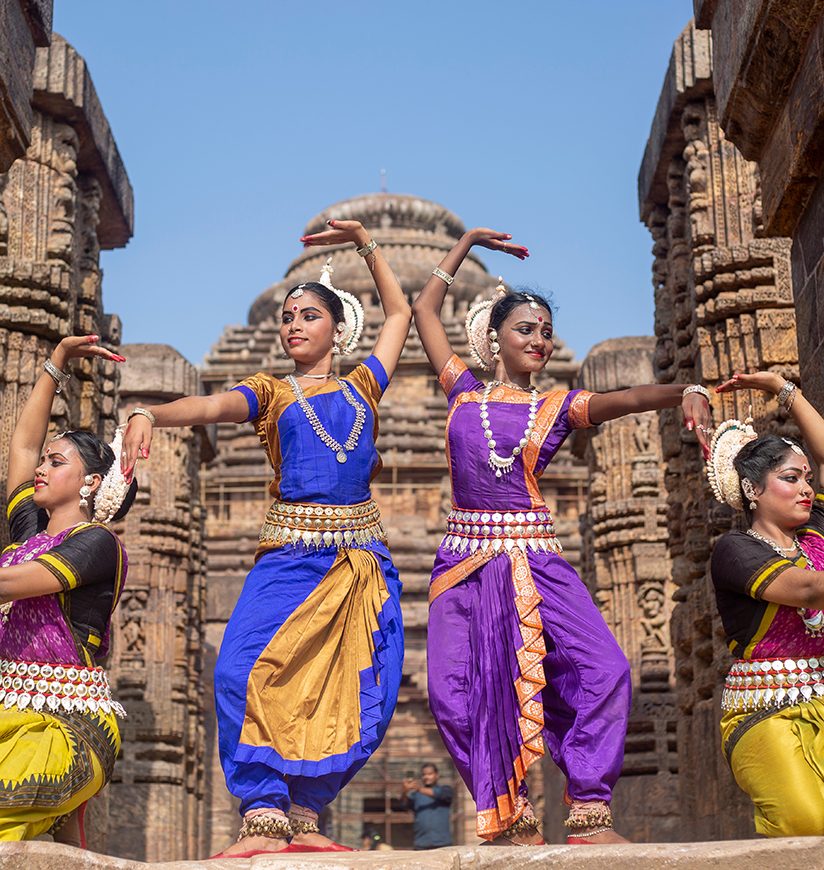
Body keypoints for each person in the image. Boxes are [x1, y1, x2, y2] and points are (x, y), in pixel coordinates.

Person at [411, 227, 712, 845]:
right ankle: (509, 808)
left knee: (603, 670)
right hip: (464, 563)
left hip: (537, 557)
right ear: (494, 337)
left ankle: (590, 810)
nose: (540, 341)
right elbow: (422, 309)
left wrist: (687, 390)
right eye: (527, 329)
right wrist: (466, 242)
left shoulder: (557, 408)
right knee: (451, 693)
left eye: (546, 331)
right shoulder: (461, 390)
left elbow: (626, 399)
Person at [121, 220, 411, 857]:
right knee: (237, 669)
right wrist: (149, 411)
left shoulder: (365, 385)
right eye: (287, 318)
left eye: (309, 316)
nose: (294, 326)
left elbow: (399, 313)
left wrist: (364, 243)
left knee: (360, 682)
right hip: (288, 553)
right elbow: (207, 409)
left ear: (339, 328)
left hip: (359, 557)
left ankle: (305, 813)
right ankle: (261, 809)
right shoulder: (269, 391)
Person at [0, 334, 135, 846]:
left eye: (57, 462)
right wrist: (56, 361)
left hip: (67, 729)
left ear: (91, 481)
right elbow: (21, 445)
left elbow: (15, 582)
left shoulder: (96, 543)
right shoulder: (30, 534)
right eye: (46, 461)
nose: (41, 467)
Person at [707, 371, 824, 836]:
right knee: (807, 821)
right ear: (753, 490)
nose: (805, 489)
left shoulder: (815, 530)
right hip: (765, 711)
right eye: (790, 479)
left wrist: (783, 390)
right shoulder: (735, 551)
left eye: (809, 480)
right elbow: (807, 591)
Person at [401, 763, 453, 849]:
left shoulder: (446, 790)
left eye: (430, 774)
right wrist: (404, 791)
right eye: (424, 775)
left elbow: (441, 795)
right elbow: (404, 806)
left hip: (442, 844)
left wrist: (419, 788)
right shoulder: (416, 795)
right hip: (421, 844)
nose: (426, 777)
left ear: (437, 775)